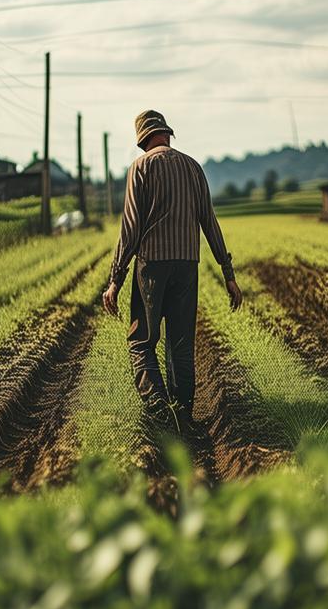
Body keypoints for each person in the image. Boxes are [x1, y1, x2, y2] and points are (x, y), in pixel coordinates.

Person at [102, 109, 243, 434]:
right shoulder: (193, 167)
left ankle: (161, 411)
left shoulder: (140, 167)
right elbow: (209, 222)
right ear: (166, 134)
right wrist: (228, 274)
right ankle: (183, 417)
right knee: (181, 346)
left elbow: (130, 229)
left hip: (152, 266)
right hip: (187, 265)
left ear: (143, 140)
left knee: (141, 342)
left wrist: (115, 280)